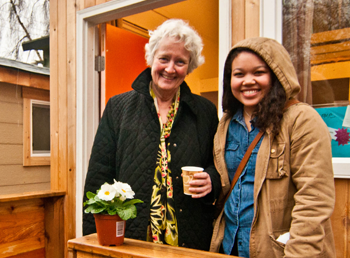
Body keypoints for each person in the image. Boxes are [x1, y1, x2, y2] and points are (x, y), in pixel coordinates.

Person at [83, 19, 221, 251]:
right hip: (131, 236)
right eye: (164, 58)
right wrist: (93, 242)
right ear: (151, 59)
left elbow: (219, 166)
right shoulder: (118, 107)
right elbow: (99, 175)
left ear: (189, 67)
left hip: (190, 237)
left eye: (180, 62)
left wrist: (211, 181)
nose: (170, 68)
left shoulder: (204, 111)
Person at [210, 37, 335, 257]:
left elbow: (314, 201)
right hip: (229, 246)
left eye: (258, 72)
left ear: (277, 76)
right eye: (239, 74)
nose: (248, 81)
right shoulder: (226, 124)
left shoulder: (302, 120)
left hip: (280, 251)